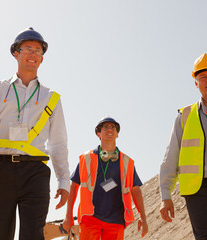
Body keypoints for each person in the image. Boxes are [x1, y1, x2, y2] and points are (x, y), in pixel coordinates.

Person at [0, 27, 70, 240]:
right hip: (0, 169)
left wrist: (63, 180)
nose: (33, 54)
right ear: (16, 53)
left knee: (33, 235)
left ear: (42, 59)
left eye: (38, 51)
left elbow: (58, 142)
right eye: (27, 48)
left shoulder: (51, 98)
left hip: (36, 171)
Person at [63, 117, 148, 240]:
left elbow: (135, 190)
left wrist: (143, 218)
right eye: (106, 127)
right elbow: (74, 187)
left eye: (113, 127)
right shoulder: (86, 158)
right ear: (98, 133)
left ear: (117, 134)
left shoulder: (127, 162)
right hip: (90, 218)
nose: (110, 129)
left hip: (116, 221)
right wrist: (68, 215)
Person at [159, 53, 207, 240]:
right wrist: (165, 196)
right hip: (197, 191)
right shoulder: (185, 116)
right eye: (203, 77)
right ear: (196, 82)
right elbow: (170, 157)